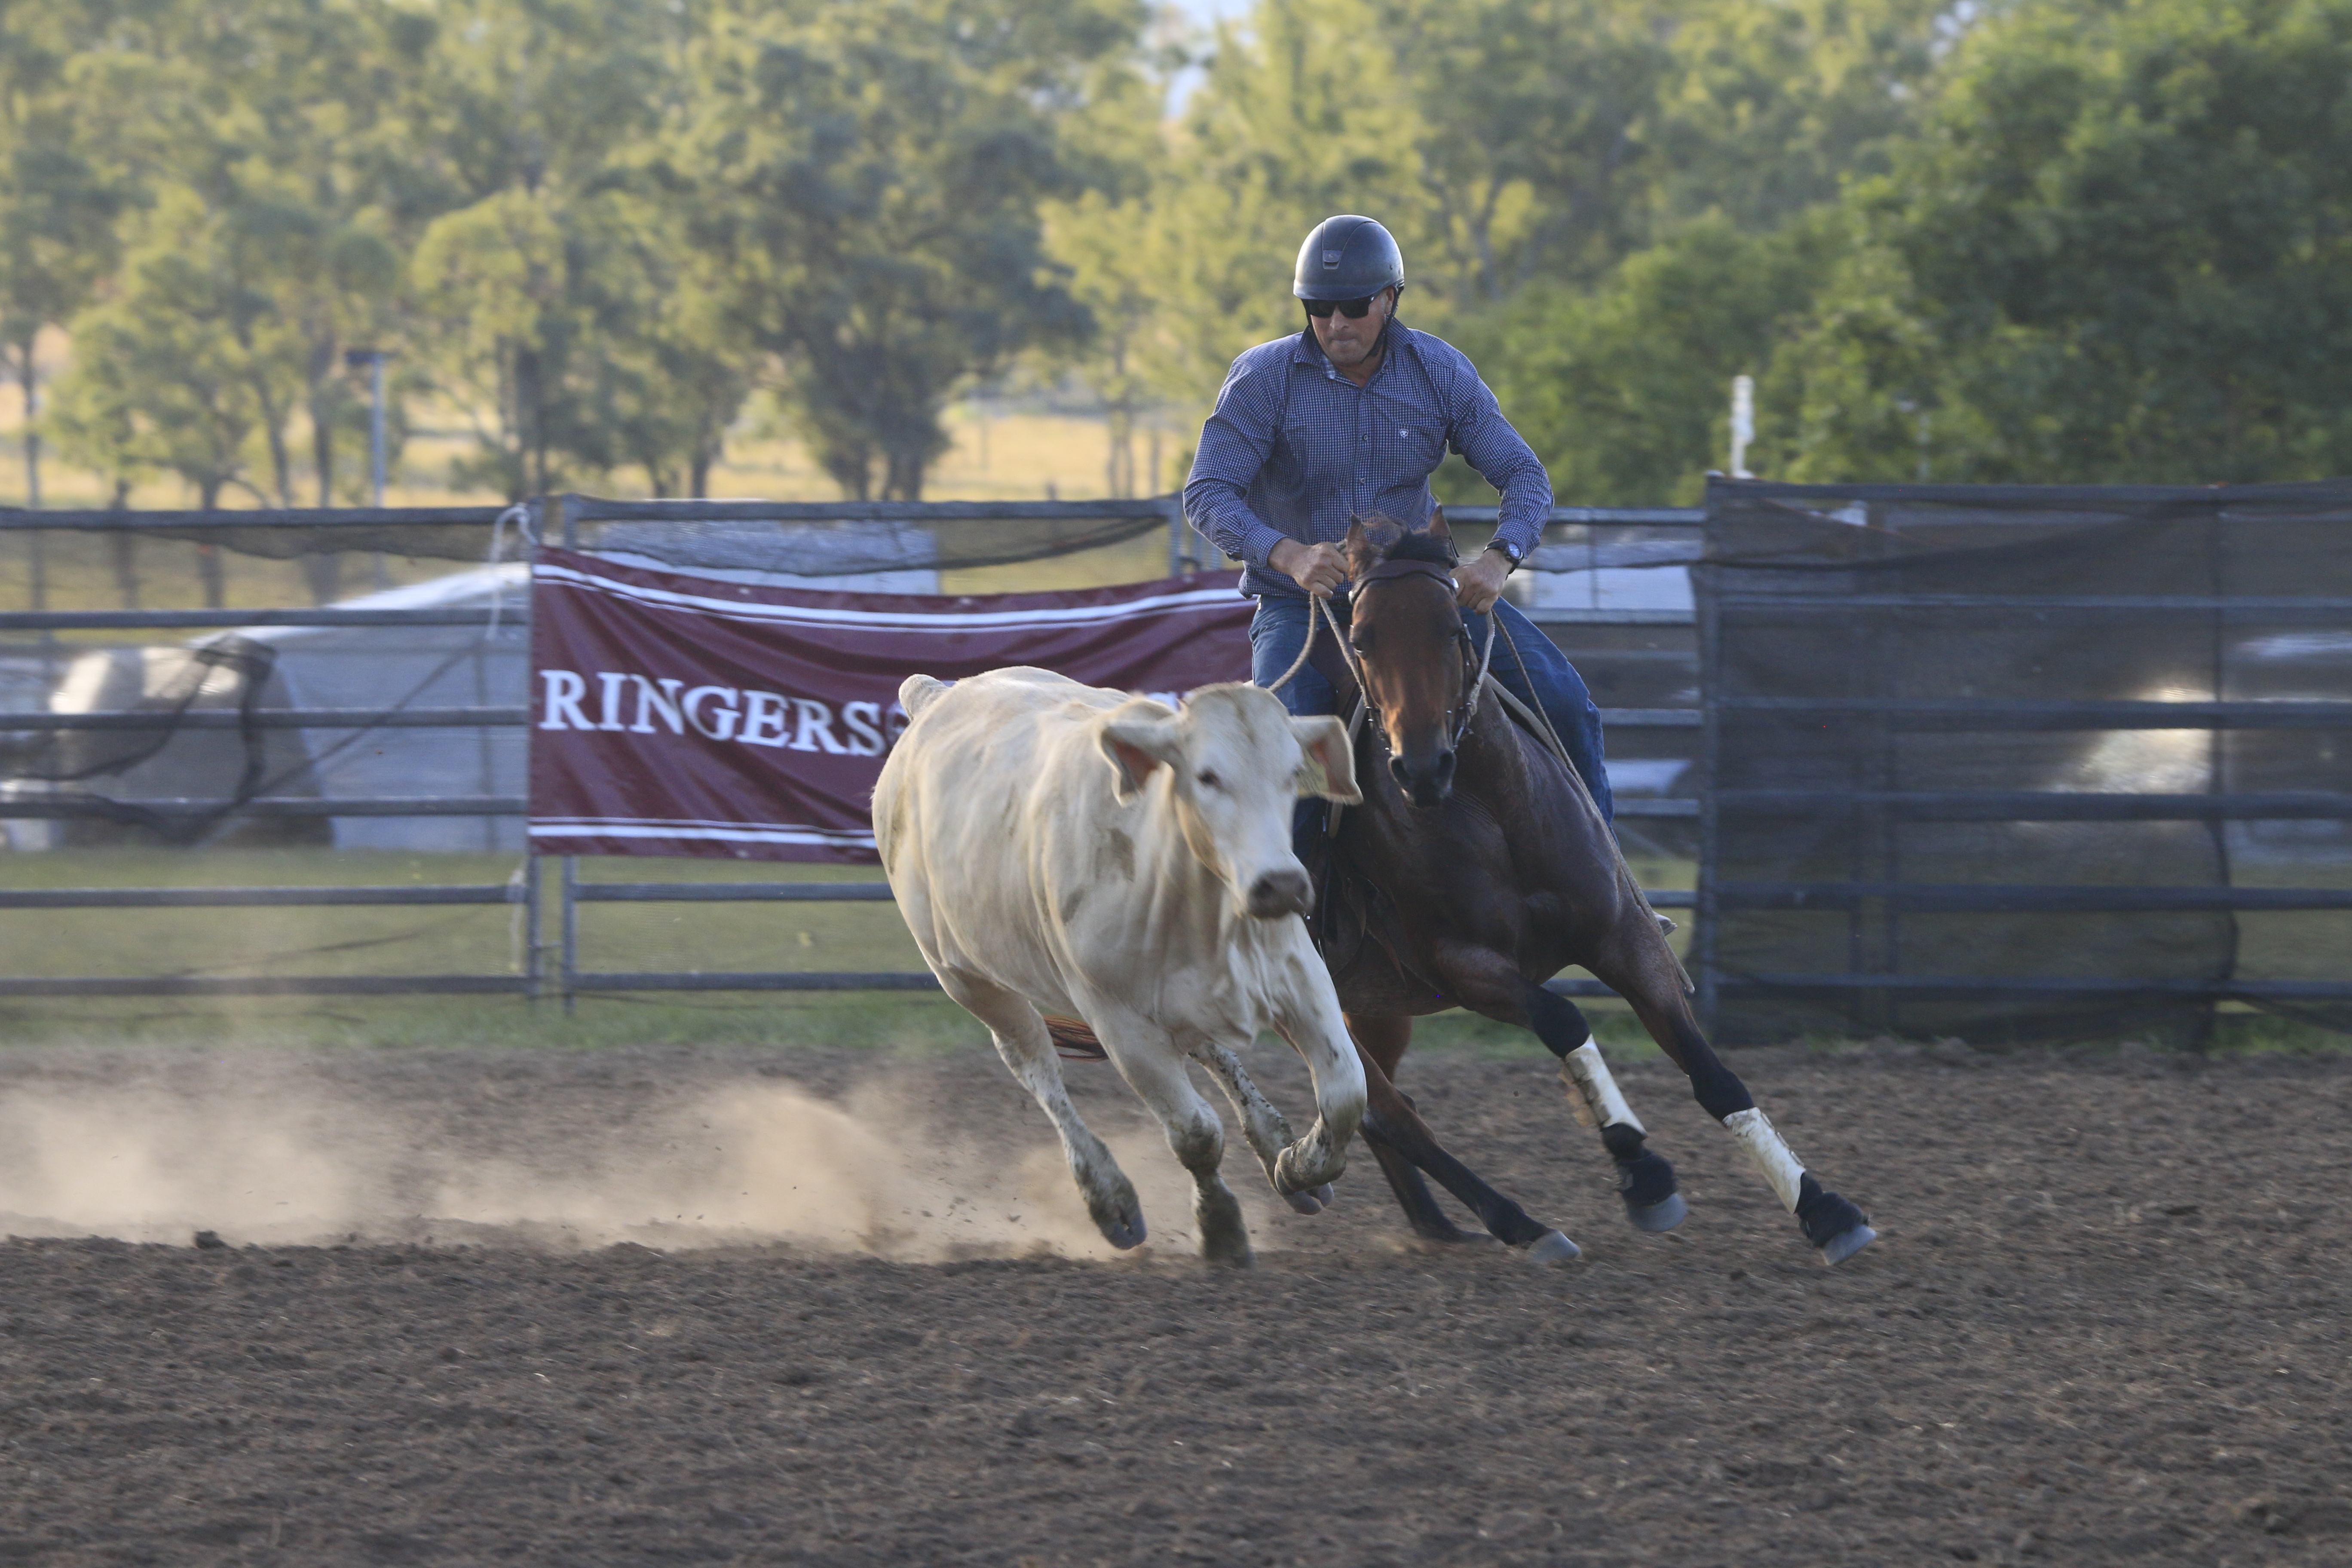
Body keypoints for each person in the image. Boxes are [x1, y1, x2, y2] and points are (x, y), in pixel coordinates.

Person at [1182, 214, 1612, 849]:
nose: (1335, 324)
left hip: (1422, 595)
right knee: (1285, 760)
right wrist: (1287, 552)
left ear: (1388, 300)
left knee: (1570, 707)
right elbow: (1207, 492)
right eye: (1318, 307)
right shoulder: (1263, 378)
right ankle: (1278, 925)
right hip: (1301, 609)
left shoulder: (1439, 371)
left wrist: (1498, 560)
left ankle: (1615, 889)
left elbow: (1524, 475)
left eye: (1353, 307)